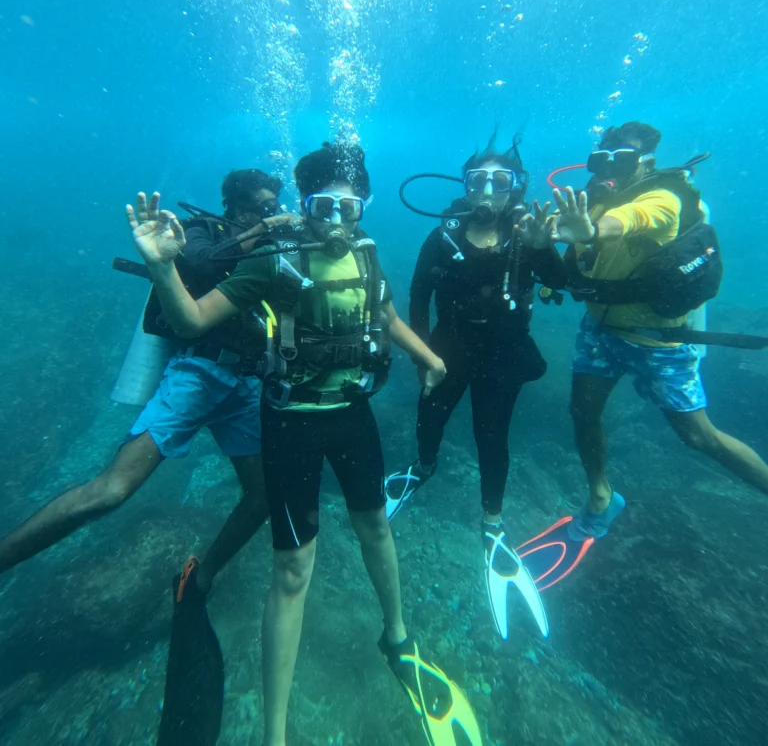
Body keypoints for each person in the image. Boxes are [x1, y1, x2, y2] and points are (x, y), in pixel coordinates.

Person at [126, 142, 483, 746]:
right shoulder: (272, 263)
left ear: (364, 207)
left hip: (354, 417)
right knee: (293, 571)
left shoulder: (367, 254)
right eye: (323, 206)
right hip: (291, 424)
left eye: (351, 207)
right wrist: (163, 267)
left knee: (377, 529)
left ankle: (396, 637)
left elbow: (386, 311)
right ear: (304, 206)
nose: (337, 222)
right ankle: (276, 733)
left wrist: (428, 357)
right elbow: (189, 322)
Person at [0, 167, 295, 589]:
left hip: (246, 380)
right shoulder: (200, 228)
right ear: (238, 206)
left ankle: (201, 577)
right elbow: (199, 262)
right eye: (265, 205)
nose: (273, 212)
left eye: (275, 205)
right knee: (112, 491)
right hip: (198, 371)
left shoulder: (267, 247)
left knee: (262, 496)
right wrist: (264, 229)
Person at [518, 121, 768, 590]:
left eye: (624, 159)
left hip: (660, 339)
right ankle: (600, 497)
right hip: (601, 330)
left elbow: (625, 222)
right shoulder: (590, 199)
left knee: (700, 438)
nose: (610, 169)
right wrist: (539, 242)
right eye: (602, 159)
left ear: (647, 163)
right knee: (582, 412)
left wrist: (592, 228)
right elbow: (568, 262)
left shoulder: (664, 198)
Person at [383, 133, 567, 639]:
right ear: (464, 188)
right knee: (430, 416)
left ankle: (492, 520)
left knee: (493, 437)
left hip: (505, 356)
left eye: (499, 181)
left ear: (515, 187)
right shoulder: (442, 236)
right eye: (478, 181)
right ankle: (423, 468)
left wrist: (545, 248)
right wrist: (422, 356)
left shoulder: (527, 233)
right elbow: (419, 296)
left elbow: (565, 282)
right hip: (448, 349)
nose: (488, 191)